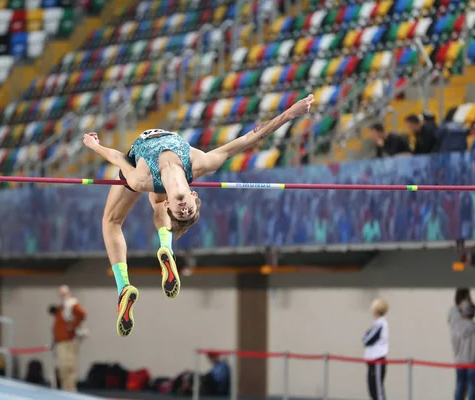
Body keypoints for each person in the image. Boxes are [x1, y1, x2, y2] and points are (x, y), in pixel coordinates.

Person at [82, 94, 315, 337]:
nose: (184, 210)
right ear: (194, 194)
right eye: (190, 210)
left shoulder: (142, 181)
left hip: (142, 163)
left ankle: (124, 287)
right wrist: (289, 114)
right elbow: (250, 138)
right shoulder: (202, 163)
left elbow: (119, 158)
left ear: (170, 205)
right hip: (162, 167)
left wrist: (94, 146)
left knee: (111, 221)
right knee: (148, 205)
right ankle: (165, 250)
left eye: (180, 212)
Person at [52, 285, 86, 392]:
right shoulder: (63, 306)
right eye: (61, 294)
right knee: (63, 367)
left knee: (69, 365)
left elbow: (82, 313)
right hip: (62, 341)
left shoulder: (72, 304)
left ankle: (71, 389)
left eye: (64, 294)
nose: (62, 296)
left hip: (69, 341)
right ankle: (65, 388)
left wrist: (72, 327)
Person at [452, 301, 475, 400]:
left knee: (459, 385)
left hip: (460, 361)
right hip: (473, 361)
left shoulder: (456, 327)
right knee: (471, 387)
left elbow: (454, 344)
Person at [363, 299, 389, 400]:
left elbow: (368, 339)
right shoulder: (376, 323)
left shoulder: (381, 324)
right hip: (371, 361)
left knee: (378, 392)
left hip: (378, 361)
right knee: (372, 390)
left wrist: (366, 336)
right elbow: (367, 336)